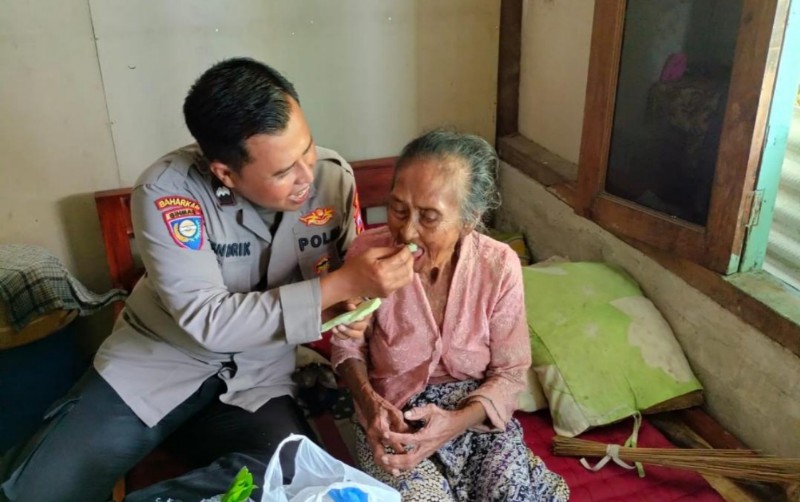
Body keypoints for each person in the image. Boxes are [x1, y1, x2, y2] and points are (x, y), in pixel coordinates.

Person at [0, 58, 414, 502]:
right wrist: (343, 286)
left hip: (260, 376)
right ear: (225, 173)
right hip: (156, 364)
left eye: (307, 149)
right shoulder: (167, 193)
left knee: (289, 475)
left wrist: (352, 306)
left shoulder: (334, 178)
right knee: (36, 492)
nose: (306, 176)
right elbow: (208, 319)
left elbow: (342, 279)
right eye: (282, 172)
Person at [331, 130, 570, 501]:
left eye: (429, 217)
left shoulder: (498, 265)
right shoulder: (368, 254)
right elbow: (347, 347)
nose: (406, 231)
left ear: (469, 219)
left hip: (474, 418)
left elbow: (510, 372)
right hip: (395, 419)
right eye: (398, 209)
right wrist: (370, 404)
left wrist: (455, 422)